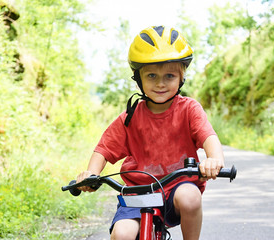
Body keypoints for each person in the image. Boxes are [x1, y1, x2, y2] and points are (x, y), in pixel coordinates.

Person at [76, 25, 225, 240]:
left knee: (190, 198)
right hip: (138, 193)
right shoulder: (130, 117)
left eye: (170, 76)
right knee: (122, 234)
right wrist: (91, 173)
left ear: (181, 77)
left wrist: (215, 159)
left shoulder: (189, 109)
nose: (161, 83)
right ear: (138, 78)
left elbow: (208, 136)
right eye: (152, 75)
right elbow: (104, 149)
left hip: (177, 188)